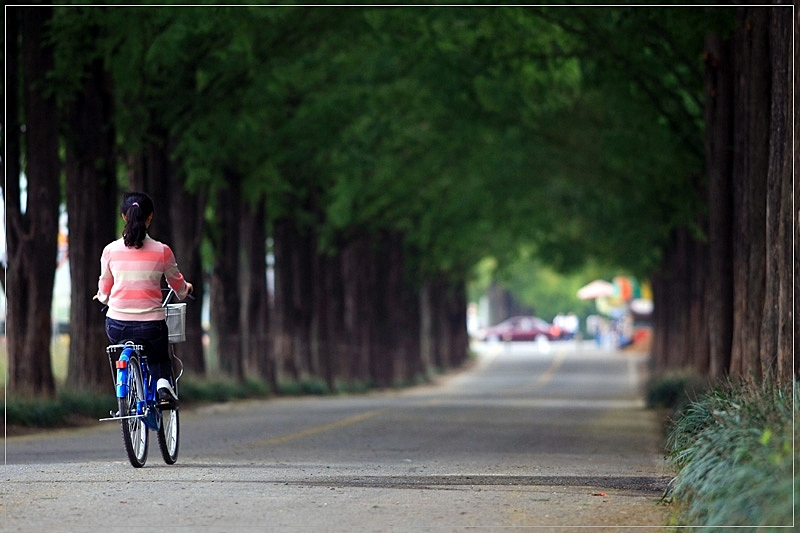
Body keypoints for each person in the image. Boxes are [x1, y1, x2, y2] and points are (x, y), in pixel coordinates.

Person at [94, 192, 193, 407]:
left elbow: (104, 288)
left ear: (123, 216)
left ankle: (129, 381)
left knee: (122, 344)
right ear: (150, 217)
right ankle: (163, 385)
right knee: (158, 356)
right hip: (151, 327)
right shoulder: (162, 251)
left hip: (117, 325)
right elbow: (178, 284)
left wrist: (102, 297)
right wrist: (186, 290)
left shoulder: (110, 251)